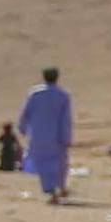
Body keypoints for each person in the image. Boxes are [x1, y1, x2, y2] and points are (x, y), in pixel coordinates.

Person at [16, 67, 72, 204]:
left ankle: (52, 191)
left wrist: (22, 128)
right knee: (58, 163)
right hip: (56, 136)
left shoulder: (35, 94)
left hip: (37, 135)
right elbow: (66, 118)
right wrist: (66, 136)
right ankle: (59, 187)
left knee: (43, 165)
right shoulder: (62, 95)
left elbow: (25, 113)